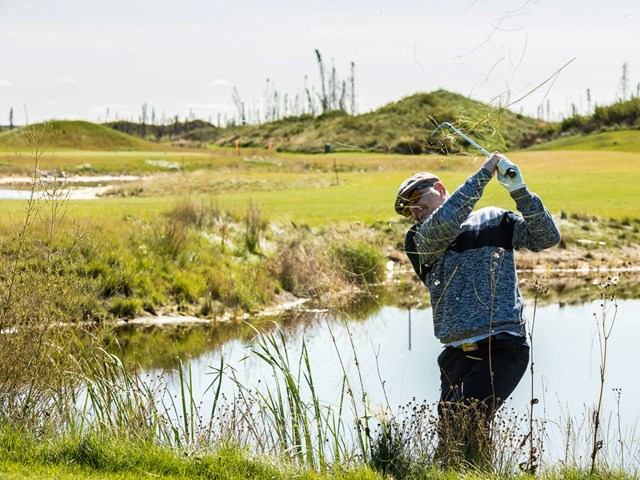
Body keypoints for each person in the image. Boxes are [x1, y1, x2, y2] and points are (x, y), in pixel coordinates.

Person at [394, 153, 560, 465]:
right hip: (456, 355)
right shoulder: (419, 238)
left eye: (418, 200)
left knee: (465, 422)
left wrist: (520, 190)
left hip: (502, 347)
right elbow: (446, 221)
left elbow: (547, 237)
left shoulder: (495, 220)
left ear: (440, 189)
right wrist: (484, 173)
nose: (415, 211)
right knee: (454, 438)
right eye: (408, 210)